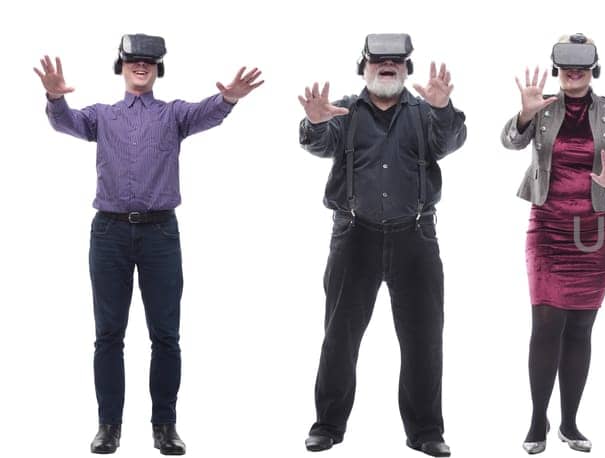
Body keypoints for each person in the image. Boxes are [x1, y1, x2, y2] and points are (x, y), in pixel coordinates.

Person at [36, 33, 264, 456]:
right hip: (109, 234)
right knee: (108, 335)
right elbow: (64, 122)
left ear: (159, 68)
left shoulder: (173, 115)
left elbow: (206, 112)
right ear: (120, 67)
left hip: (161, 234)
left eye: (148, 60)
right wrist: (53, 98)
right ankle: (109, 427)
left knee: (166, 336)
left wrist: (229, 100)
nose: (140, 65)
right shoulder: (102, 116)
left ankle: (165, 427)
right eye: (132, 60)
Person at [295, 33, 467, 458]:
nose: (387, 66)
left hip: (417, 236)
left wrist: (444, 108)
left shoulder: (427, 113)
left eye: (396, 61)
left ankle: (426, 431)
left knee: (424, 338)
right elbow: (316, 142)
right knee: (339, 336)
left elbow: (452, 141)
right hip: (355, 234)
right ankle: (328, 425)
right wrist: (315, 122)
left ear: (406, 68)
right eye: (379, 61)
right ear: (364, 66)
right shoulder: (346, 111)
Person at [500, 33, 605, 455]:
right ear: (556, 67)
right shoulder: (542, 107)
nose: (574, 71)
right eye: (566, 64)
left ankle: (570, 423)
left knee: (580, 327)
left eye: (582, 63)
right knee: (545, 323)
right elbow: (509, 141)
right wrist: (524, 114)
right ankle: (537, 420)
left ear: (594, 67)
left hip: (596, 230)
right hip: (548, 225)